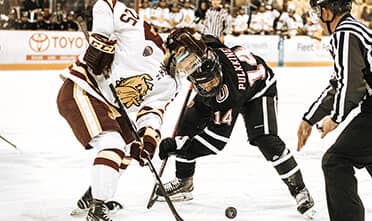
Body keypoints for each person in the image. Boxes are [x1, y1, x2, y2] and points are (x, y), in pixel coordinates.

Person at [156, 28, 316, 218]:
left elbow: (215, 142)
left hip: (259, 89)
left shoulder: (226, 94)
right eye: (203, 83)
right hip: (232, 80)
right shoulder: (207, 46)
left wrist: (178, 147)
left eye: (210, 82)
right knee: (187, 125)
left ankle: (300, 190)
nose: (208, 87)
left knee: (265, 140)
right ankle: (184, 181)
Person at [56, 0, 177, 220]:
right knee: (113, 144)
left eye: (194, 65)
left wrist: (148, 139)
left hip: (108, 103)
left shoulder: (172, 83)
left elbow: (153, 111)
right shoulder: (147, 38)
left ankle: (94, 195)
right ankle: (98, 209)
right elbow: (107, 4)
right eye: (188, 59)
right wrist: (102, 38)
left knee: (131, 147)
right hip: (83, 89)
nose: (188, 68)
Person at [297, 0, 372, 220]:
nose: (317, 19)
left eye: (317, 12)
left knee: (336, 160)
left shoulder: (345, 33)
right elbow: (340, 83)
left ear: (327, 12)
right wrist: (310, 119)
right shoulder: (354, 29)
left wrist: (336, 118)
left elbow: (351, 85)